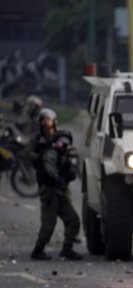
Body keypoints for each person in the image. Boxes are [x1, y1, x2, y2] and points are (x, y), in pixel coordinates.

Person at [30, 109, 82, 261]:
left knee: (73, 220)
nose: (64, 145)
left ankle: (67, 249)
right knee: (49, 225)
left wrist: (69, 168)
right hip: (50, 191)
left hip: (61, 191)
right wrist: (56, 179)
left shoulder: (65, 155)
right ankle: (38, 250)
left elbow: (72, 174)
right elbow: (48, 168)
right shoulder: (50, 152)